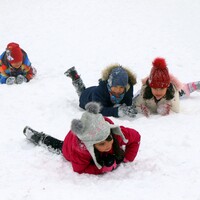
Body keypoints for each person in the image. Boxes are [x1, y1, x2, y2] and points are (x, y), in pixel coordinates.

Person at [23, 102, 141, 175]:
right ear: (91, 145)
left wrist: (127, 158)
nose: (107, 146)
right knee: (59, 146)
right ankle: (38, 137)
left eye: (108, 139)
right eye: (101, 144)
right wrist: (101, 169)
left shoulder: (115, 133)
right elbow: (79, 169)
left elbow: (136, 138)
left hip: (89, 131)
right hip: (70, 146)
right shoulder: (80, 151)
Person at [64, 64, 137, 118]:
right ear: (110, 84)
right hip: (87, 97)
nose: (118, 90)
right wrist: (117, 111)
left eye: (121, 87)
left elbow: (128, 103)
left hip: (98, 93)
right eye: (115, 87)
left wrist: (128, 108)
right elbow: (99, 110)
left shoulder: (128, 88)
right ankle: (75, 77)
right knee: (82, 92)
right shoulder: (99, 91)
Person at [134, 57, 200, 117]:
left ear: (167, 86)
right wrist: (143, 109)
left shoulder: (173, 92)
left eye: (162, 88)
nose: (158, 92)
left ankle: (192, 86)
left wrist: (168, 111)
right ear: (150, 86)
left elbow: (176, 110)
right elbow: (136, 105)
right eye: (155, 88)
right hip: (147, 92)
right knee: (136, 97)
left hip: (170, 93)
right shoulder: (145, 90)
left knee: (182, 91)